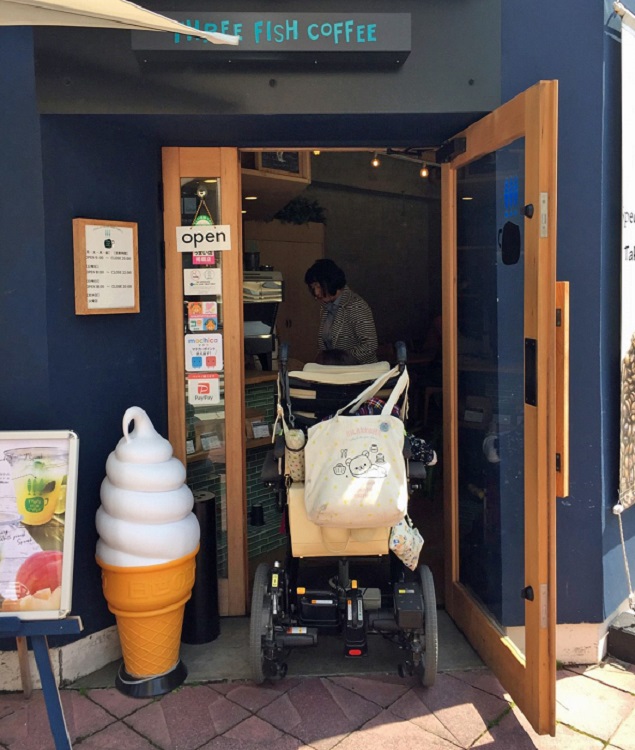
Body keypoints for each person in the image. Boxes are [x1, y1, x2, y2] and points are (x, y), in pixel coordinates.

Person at [304, 259, 378, 364]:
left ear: (331, 282)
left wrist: (339, 361)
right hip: (334, 370)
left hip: (359, 370)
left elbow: (370, 345)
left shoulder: (356, 305)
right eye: (313, 287)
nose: (316, 292)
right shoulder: (325, 307)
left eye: (319, 286)